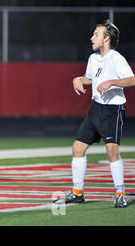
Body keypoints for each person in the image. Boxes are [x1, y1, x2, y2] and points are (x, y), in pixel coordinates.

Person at [54, 20, 135, 208]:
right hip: (96, 109)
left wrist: (112, 82)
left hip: (113, 110)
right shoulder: (93, 58)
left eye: (96, 34)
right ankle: (77, 193)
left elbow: (132, 79)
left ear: (106, 38)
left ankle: (120, 194)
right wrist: (78, 79)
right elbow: (90, 78)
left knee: (111, 151)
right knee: (78, 148)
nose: (92, 37)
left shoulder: (116, 59)